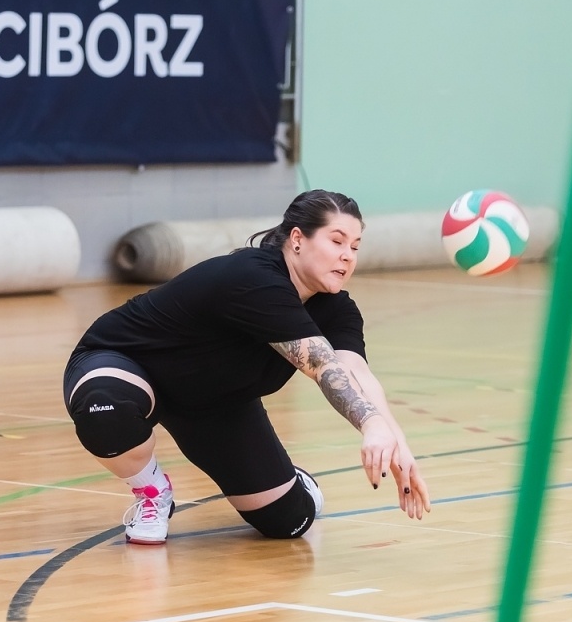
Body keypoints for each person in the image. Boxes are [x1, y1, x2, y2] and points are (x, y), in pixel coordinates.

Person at [64, 189, 430, 546]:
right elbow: (321, 364)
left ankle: (294, 484)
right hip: (129, 362)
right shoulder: (253, 277)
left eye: (354, 246)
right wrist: (368, 423)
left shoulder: (338, 310)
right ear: (298, 239)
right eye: (337, 241)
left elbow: (356, 374)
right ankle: (151, 493)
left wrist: (398, 446)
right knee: (104, 406)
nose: (347, 256)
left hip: (216, 402)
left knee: (288, 522)